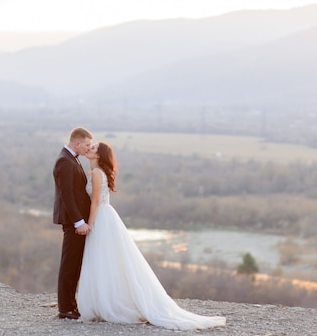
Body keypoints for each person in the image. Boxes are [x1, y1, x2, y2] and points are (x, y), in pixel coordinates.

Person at [77, 141, 226, 330]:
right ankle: (105, 302)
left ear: (99, 155)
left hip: (101, 219)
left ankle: (108, 303)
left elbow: (96, 201)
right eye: (89, 147)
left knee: (102, 259)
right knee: (106, 260)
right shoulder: (95, 172)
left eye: (93, 148)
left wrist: (89, 224)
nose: (89, 149)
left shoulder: (97, 173)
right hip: (106, 217)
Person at [53, 127, 94, 320]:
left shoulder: (72, 159)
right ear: (77, 143)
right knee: (69, 264)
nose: (88, 148)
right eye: (86, 144)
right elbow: (67, 195)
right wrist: (78, 222)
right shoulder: (64, 161)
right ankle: (65, 308)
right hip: (72, 222)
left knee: (75, 263)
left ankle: (71, 305)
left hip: (78, 221)